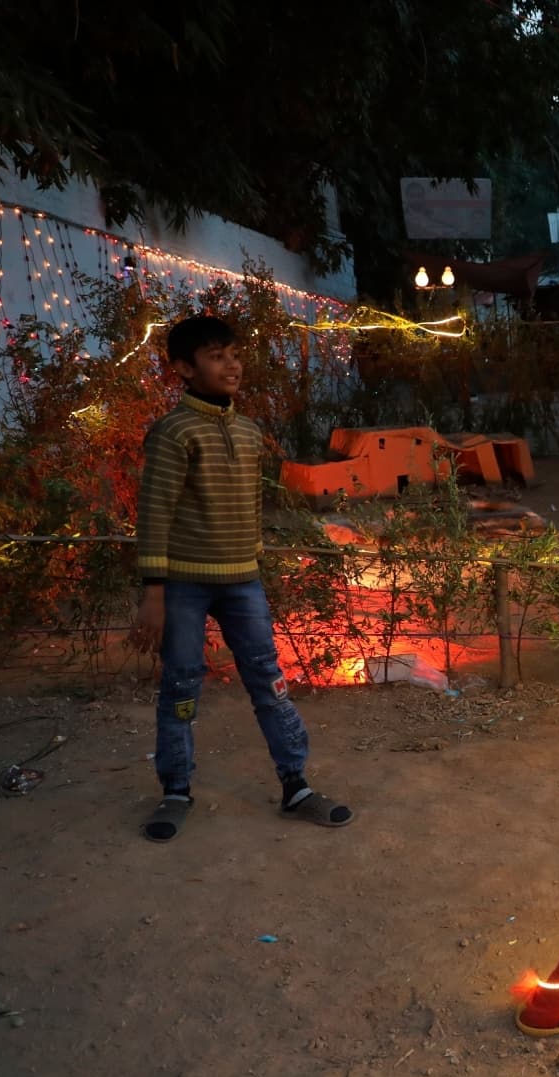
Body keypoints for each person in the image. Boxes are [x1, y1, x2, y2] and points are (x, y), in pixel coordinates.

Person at [131, 315, 353, 842]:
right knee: (181, 685)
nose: (231, 364)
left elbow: (253, 508)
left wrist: (254, 563)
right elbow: (154, 513)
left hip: (242, 582)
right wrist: (154, 594)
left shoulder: (250, 432)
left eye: (234, 354)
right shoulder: (173, 432)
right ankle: (175, 792)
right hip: (183, 584)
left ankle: (296, 786)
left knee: (269, 682)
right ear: (184, 369)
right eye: (215, 356)